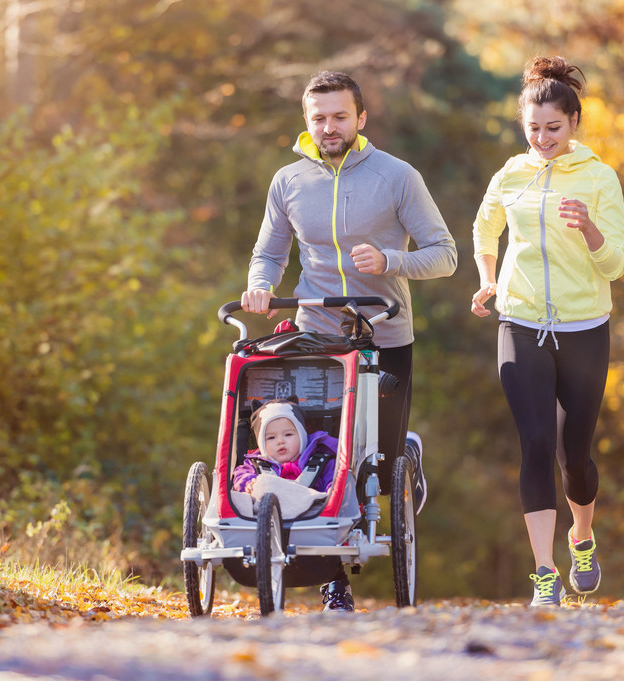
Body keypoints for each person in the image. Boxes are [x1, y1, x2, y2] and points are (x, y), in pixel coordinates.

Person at [241, 70, 457, 610]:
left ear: (361, 119)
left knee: (377, 470)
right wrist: (260, 287)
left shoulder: (396, 176)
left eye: (340, 116)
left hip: (384, 331)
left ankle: (403, 450)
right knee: (320, 458)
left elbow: (445, 254)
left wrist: (391, 261)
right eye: (319, 118)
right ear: (306, 122)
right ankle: (335, 580)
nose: (329, 127)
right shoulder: (288, 181)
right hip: (316, 336)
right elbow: (269, 253)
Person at [470, 56, 624, 607]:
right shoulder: (510, 174)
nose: (542, 139)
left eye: (553, 128)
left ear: (574, 123)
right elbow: (484, 227)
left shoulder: (600, 177)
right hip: (520, 321)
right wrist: (488, 280)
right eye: (533, 128)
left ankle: (581, 536)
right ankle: (544, 573)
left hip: (585, 328)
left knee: (574, 456)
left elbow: (616, 266)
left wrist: (588, 228)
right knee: (535, 444)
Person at [232, 398, 338, 495]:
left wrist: (332, 490)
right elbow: (240, 475)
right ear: (262, 444)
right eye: (271, 438)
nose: (280, 441)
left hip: (315, 511)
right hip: (268, 510)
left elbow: (333, 480)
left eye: (288, 435)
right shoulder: (254, 465)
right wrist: (249, 483)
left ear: (302, 437)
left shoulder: (322, 462)